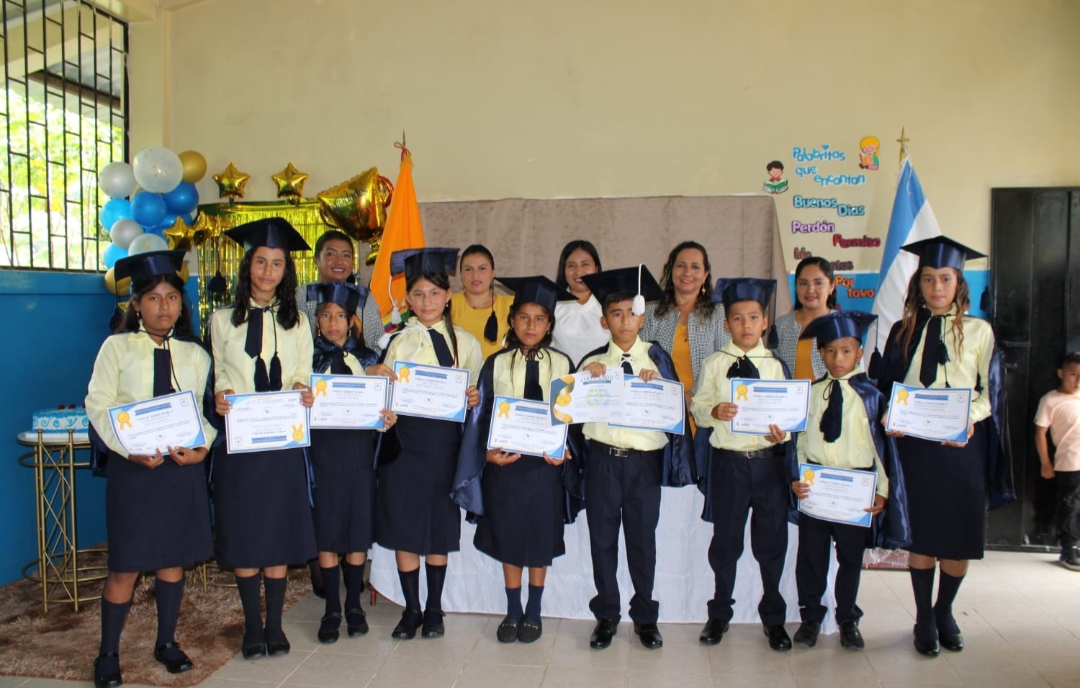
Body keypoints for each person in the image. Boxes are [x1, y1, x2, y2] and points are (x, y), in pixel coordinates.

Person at [878, 236, 1013, 657]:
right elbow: (887, 388)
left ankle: (944, 611)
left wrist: (969, 418)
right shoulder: (903, 331)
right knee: (922, 537)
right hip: (916, 448)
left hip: (961, 448)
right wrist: (890, 417)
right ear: (918, 284)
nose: (937, 287)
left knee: (958, 537)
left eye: (946, 278)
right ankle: (923, 616)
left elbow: (990, 393)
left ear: (959, 283)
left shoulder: (979, 331)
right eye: (929, 279)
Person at [85, 250, 216, 688]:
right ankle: (108, 653)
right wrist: (128, 449)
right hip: (135, 472)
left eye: (172, 298)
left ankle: (166, 642)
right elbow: (98, 404)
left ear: (182, 304)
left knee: (172, 561)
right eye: (154, 298)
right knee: (125, 565)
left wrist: (202, 448)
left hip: (180, 470)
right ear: (136, 304)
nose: (164, 307)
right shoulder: (116, 348)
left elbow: (203, 411)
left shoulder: (194, 354)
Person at [452, 275, 585, 644]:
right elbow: (480, 418)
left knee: (539, 539)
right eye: (524, 317)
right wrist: (486, 455)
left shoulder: (563, 364)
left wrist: (566, 454)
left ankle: (534, 610)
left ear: (549, 325)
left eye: (539, 319)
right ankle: (513, 610)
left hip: (545, 468)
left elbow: (572, 420)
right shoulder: (495, 363)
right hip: (506, 466)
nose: (531, 325)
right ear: (512, 321)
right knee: (509, 537)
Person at [209, 218, 317, 660]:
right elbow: (219, 371)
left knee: (277, 533)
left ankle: (274, 625)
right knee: (245, 532)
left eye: (277, 263)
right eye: (260, 262)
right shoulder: (221, 321)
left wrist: (303, 390)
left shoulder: (299, 322)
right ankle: (252, 627)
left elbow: (302, 372)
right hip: (241, 444)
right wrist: (220, 394)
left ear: (286, 270)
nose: (268, 271)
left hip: (283, 442)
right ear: (247, 266)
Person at [366, 248, 483, 640]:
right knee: (404, 525)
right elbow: (381, 395)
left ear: (448, 296)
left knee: (437, 526)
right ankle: (411, 608)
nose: (427, 301)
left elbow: (477, 396)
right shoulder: (396, 340)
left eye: (434, 293)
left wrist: (473, 398)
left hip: (444, 446)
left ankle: (434, 607)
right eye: (418, 294)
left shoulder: (466, 343)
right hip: (404, 444)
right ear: (407, 299)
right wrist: (379, 389)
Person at [577, 266, 694, 651]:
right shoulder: (592, 363)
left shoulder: (657, 359)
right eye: (616, 314)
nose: (625, 321)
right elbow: (572, 414)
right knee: (602, 539)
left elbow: (676, 414)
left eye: (631, 313)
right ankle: (607, 614)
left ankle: (645, 616)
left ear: (643, 318)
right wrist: (586, 380)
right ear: (604, 321)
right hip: (603, 462)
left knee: (642, 541)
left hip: (643, 465)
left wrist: (660, 387)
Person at [789, 311, 910, 650]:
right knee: (811, 557)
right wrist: (796, 476)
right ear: (821, 353)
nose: (837, 359)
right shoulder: (812, 393)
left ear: (859, 353)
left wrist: (882, 491)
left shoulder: (871, 397)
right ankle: (811, 616)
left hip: (855, 491)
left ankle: (847, 618)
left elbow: (881, 448)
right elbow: (800, 440)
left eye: (845, 351)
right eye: (829, 351)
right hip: (816, 487)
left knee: (850, 558)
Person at [690, 278, 793, 651]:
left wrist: (781, 434)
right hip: (729, 465)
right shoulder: (715, 364)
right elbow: (698, 407)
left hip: (768, 466)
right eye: (737, 318)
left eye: (753, 317)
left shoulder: (776, 366)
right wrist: (714, 411)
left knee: (771, 543)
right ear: (726, 324)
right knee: (726, 542)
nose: (746, 325)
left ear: (765, 322)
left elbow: (790, 419)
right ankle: (719, 613)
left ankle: (774, 618)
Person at [307, 281, 398, 644]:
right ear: (317, 322)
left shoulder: (371, 361)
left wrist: (388, 418)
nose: (333, 323)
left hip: (360, 453)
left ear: (352, 321)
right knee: (327, 527)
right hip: (323, 453)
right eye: (326, 316)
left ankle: (354, 606)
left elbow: (385, 409)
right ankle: (332, 607)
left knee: (357, 527)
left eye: (340, 316)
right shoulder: (308, 360)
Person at [642, 241, 729, 434]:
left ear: (705, 275)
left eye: (695, 267)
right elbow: (638, 357)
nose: (687, 272)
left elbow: (725, 362)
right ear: (670, 271)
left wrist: (692, 396)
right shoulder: (651, 312)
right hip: (657, 410)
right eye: (681, 265)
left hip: (703, 414)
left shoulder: (718, 314)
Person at [296, 230, 385, 353]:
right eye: (331, 254)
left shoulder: (364, 298)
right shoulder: (301, 295)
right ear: (316, 260)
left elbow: (377, 343)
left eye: (346, 255)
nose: (339, 261)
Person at [1034, 351, 1080, 571]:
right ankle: (1069, 550)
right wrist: (1045, 462)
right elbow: (1040, 433)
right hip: (1070, 463)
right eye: (1073, 374)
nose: (1077, 380)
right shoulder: (1050, 400)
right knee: (1070, 506)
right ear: (1061, 373)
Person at [774, 256, 839, 380]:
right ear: (796, 287)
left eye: (818, 283)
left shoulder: (842, 325)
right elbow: (771, 370)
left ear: (831, 287)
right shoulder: (782, 325)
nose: (810, 290)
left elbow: (855, 374)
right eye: (803, 283)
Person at [449, 244, 514, 359]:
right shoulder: (448, 303)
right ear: (461, 274)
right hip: (461, 369)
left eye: (482, 268)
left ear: (493, 272)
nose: (475, 275)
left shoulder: (511, 304)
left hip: (499, 369)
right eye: (468, 269)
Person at [550, 240, 608, 366]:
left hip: (604, 375)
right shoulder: (551, 305)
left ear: (596, 268)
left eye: (585, 264)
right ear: (563, 270)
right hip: (563, 375)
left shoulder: (609, 304)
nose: (578, 271)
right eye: (571, 265)